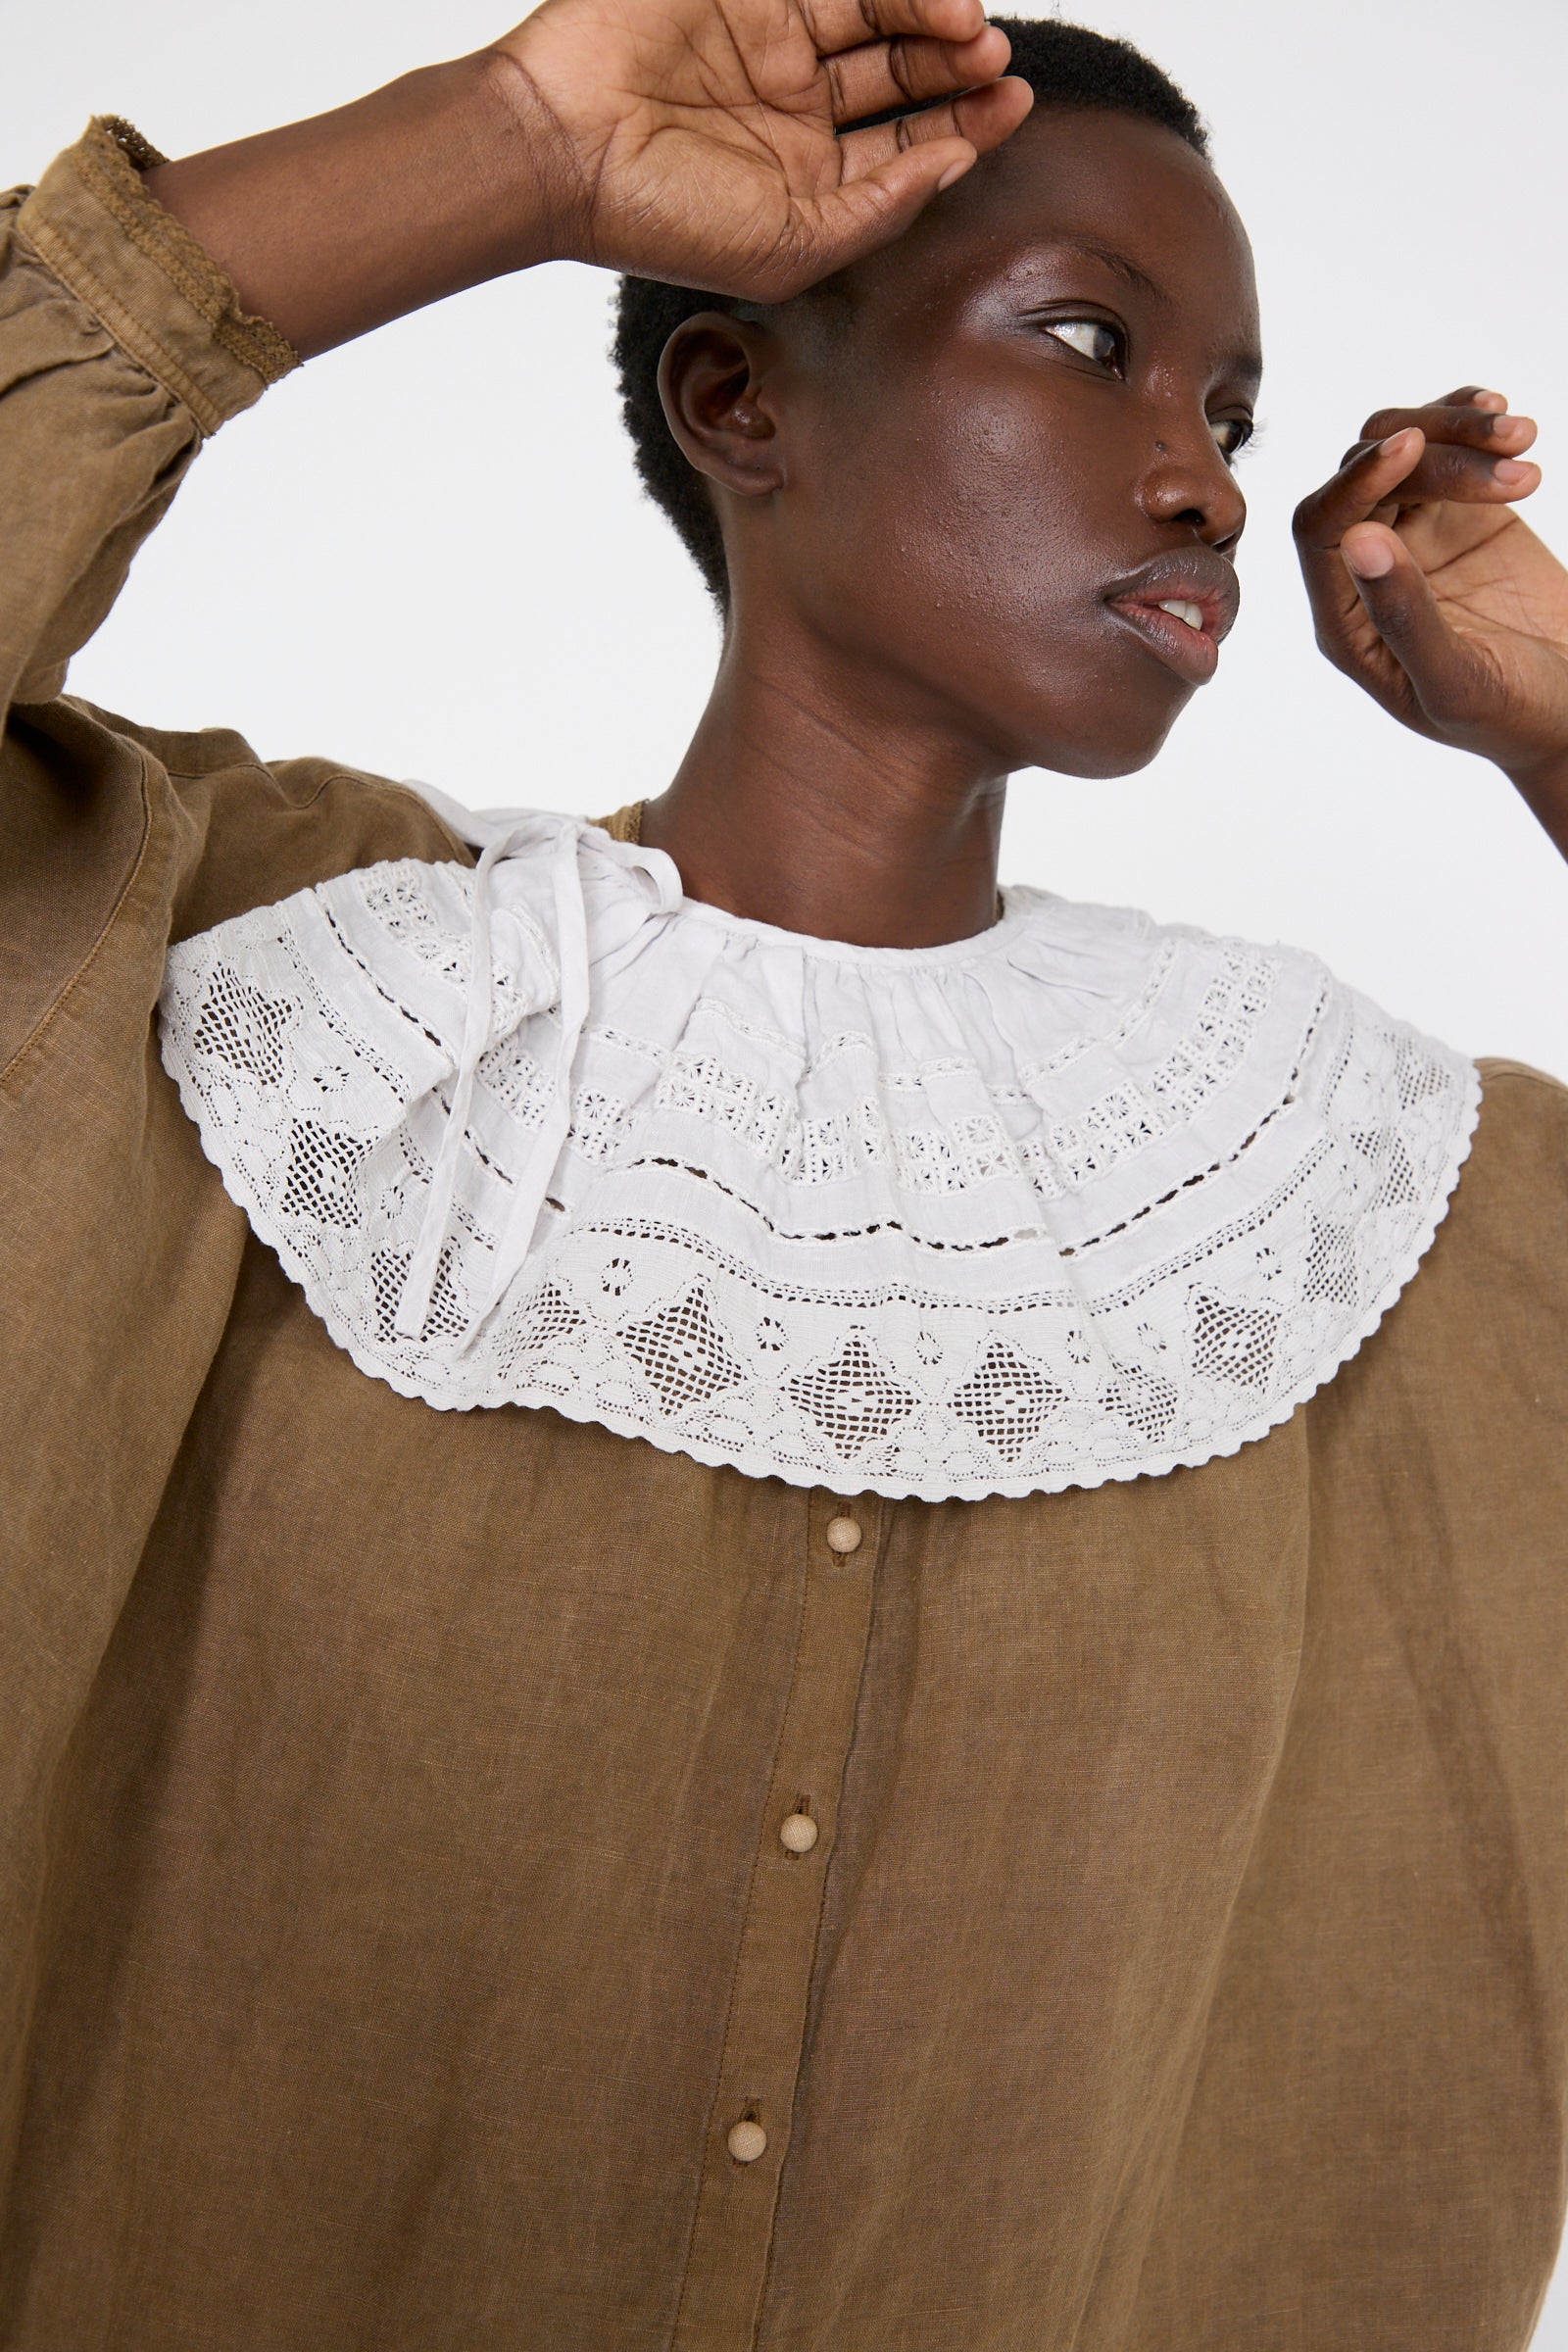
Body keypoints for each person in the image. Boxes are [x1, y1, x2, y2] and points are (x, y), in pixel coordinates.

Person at [2, 1, 1567, 2343]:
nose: (1207, 485)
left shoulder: (1369, 1205)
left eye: (1225, 416)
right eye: (1086, 346)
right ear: (736, 403)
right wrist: (506, 142)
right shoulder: (258, 974)